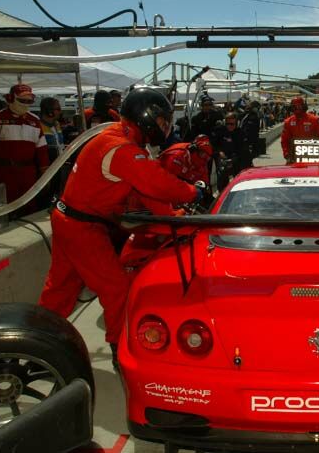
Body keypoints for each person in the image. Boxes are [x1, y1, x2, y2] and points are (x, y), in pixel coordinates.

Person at [38, 88, 201, 366]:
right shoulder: (122, 148)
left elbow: (144, 188)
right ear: (147, 117)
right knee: (116, 289)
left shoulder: (118, 134)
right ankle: (119, 349)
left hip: (69, 219)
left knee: (61, 288)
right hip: (83, 227)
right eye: (162, 121)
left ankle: (36, 341)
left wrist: (170, 213)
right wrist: (192, 192)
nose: (164, 127)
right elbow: (155, 183)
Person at [0, 84, 50, 205]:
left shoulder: (34, 120)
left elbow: (42, 150)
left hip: (29, 172)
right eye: (22, 100)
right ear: (10, 98)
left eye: (29, 101)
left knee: (29, 206)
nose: (26, 103)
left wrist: (45, 175)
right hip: (5, 172)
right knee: (6, 206)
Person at [212, 112, 252, 191]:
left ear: (236, 123)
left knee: (241, 182)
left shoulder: (241, 133)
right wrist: (219, 152)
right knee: (222, 182)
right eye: (227, 124)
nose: (229, 126)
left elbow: (245, 150)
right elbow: (214, 145)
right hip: (224, 161)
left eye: (232, 124)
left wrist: (235, 158)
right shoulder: (220, 131)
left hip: (238, 160)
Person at [281, 97, 319, 163]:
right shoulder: (288, 122)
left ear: (304, 106)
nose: (297, 108)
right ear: (292, 108)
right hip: (293, 157)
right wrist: (286, 155)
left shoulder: (314, 120)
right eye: (295, 106)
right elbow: (284, 141)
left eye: (299, 106)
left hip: (312, 157)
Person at [39, 97, 65, 164]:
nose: (60, 112)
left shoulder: (57, 124)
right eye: (58, 109)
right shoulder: (38, 126)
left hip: (59, 162)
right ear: (49, 111)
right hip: (47, 165)